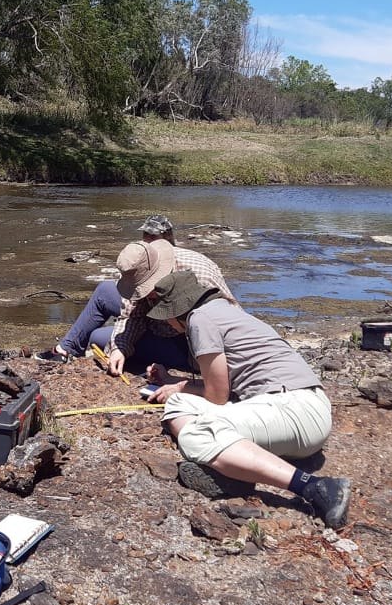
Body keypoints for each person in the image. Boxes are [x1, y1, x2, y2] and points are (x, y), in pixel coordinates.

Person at [142, 270, 351, 529]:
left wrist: (181, 386)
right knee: (176, 405)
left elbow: (217, 396)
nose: (169, 325)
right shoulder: (223, 311)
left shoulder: (199, 320)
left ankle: (313, 487)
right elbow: (223, 387)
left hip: (294, 411)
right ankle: (233, 461)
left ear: (176, 312)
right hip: (303, 405)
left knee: (197, 434)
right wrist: (175, 383)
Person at [41, 215, 235, 367]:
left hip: (188, 345)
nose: (148, 239)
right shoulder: (146, 262)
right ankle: (65, 349)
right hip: (159, 323)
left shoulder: (197, 276)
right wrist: (120, 348)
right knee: (105, 291)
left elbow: (227, 319)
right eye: (146, 236)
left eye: (153, 236)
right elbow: (132, 313)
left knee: (97, 339)